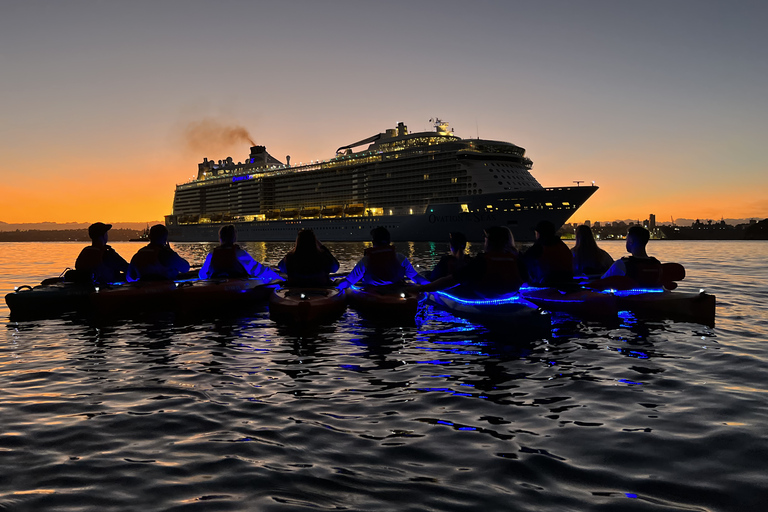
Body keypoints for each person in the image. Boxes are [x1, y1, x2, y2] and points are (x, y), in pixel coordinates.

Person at [412, 226, 525, 297]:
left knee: (425, 275)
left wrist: (419, 288)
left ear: (489, 242)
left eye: (485, 240)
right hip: (509, 296)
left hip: (484, 297)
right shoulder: (518, 261)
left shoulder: (481, 262)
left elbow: (452, 280)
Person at [336, 227, 429, 289]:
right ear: (389, 242)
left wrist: (336, 286)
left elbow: (348, 282)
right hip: (396, 291)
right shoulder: (401, 258)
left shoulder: (366, 260)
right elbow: (415, 277)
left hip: (373, 293)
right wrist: (431, 285)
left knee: (343, 281)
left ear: (373, 242)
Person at [199, 224, 280, 280]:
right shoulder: (240, 254)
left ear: (220, 238)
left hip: (215, 287)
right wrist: (278, 277)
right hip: (237, 288)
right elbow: (258, 270)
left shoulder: (212, 254)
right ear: (234, 238)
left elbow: (201, 275)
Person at [522, 220, 573, 286]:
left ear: (539, 234)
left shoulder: (539, 247)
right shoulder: (563, 246)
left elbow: (524, 261)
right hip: (567, 282)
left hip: (546, 283)